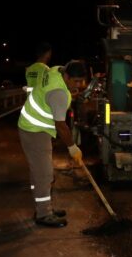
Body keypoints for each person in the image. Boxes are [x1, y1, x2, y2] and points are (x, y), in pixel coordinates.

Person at [18, 61, 86, 227]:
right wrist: (72, 147)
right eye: (75, 81)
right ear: (67, 76)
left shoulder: (56, 70)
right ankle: (43, 214)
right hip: (35, 130)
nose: (79, 85)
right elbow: (61, 126)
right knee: (45, 174)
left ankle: (43, 207)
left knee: (38, 173)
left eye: (81, 81)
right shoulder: (59, 93)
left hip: (32, 126)